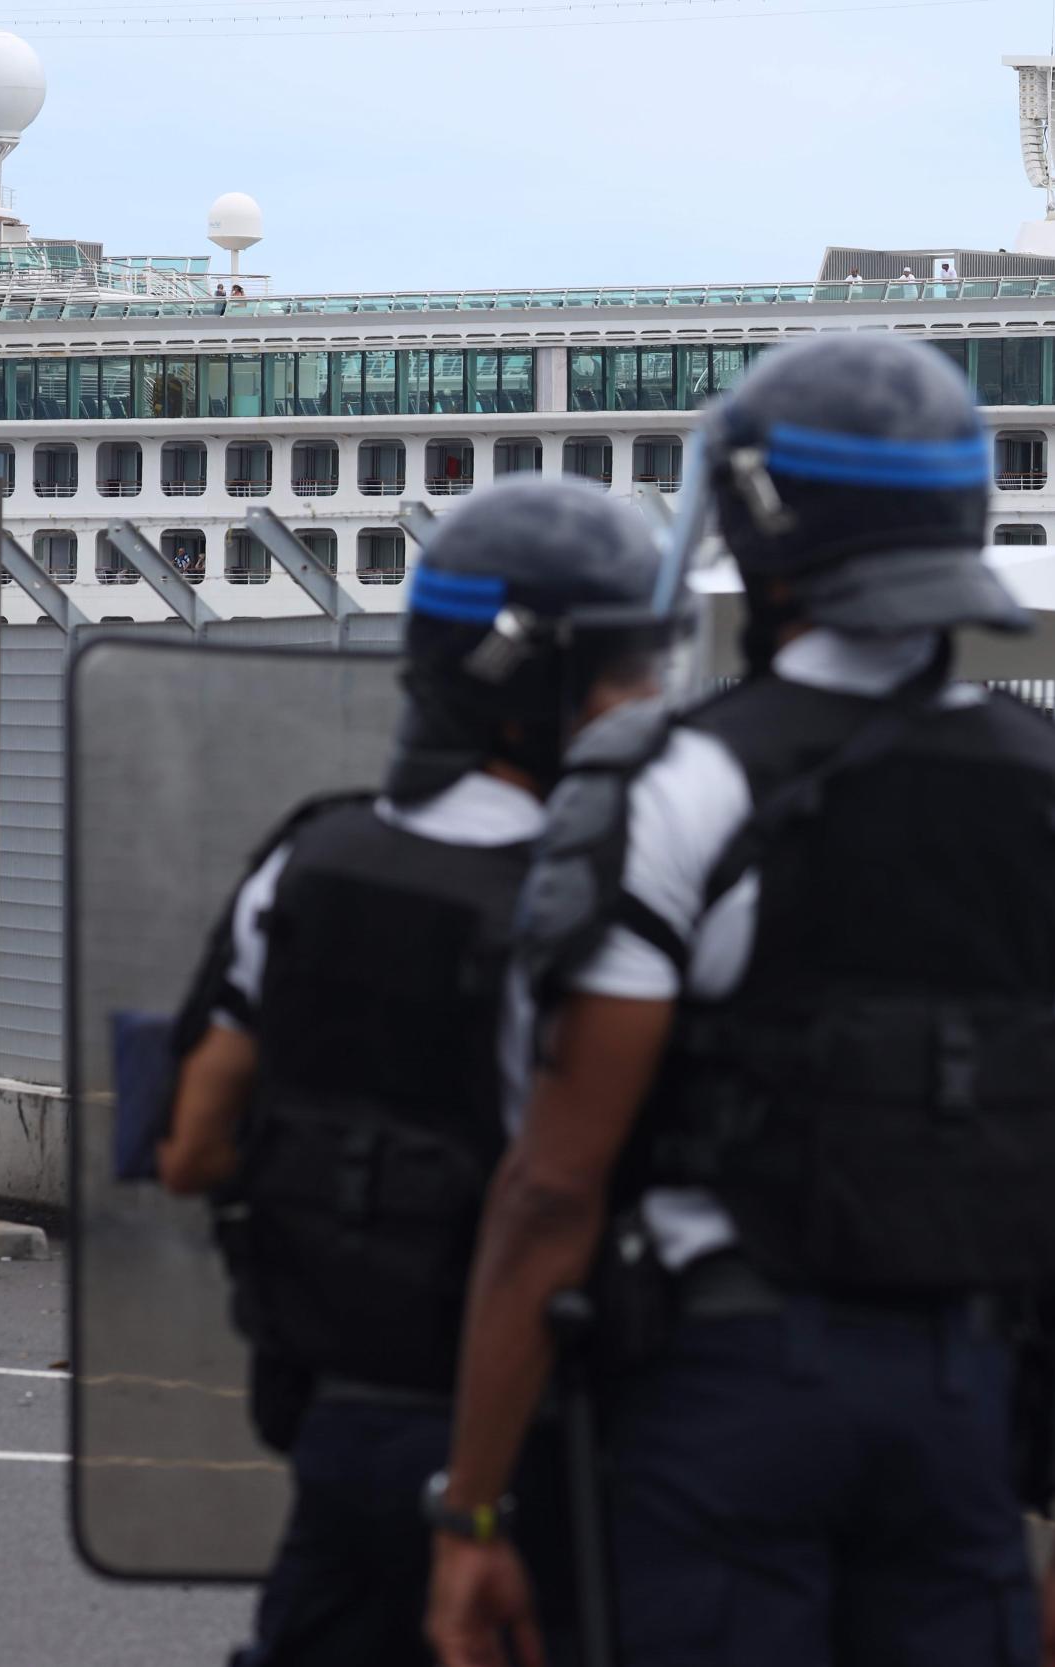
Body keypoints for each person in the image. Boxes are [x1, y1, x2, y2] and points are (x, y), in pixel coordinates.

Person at [426, 333, 1055, 1667]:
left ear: (760, 523)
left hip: (725, 1393)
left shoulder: (686, 784)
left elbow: (553, 1182)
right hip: (964, 1401)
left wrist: (474, 1505)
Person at [158, 477, 675, 1667]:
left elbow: (189, 1147)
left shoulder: (303, 862)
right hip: (547, 1432)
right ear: (523, 679)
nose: (647, 694)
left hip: (340, 1420)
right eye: (623, 666)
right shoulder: (607, 910)